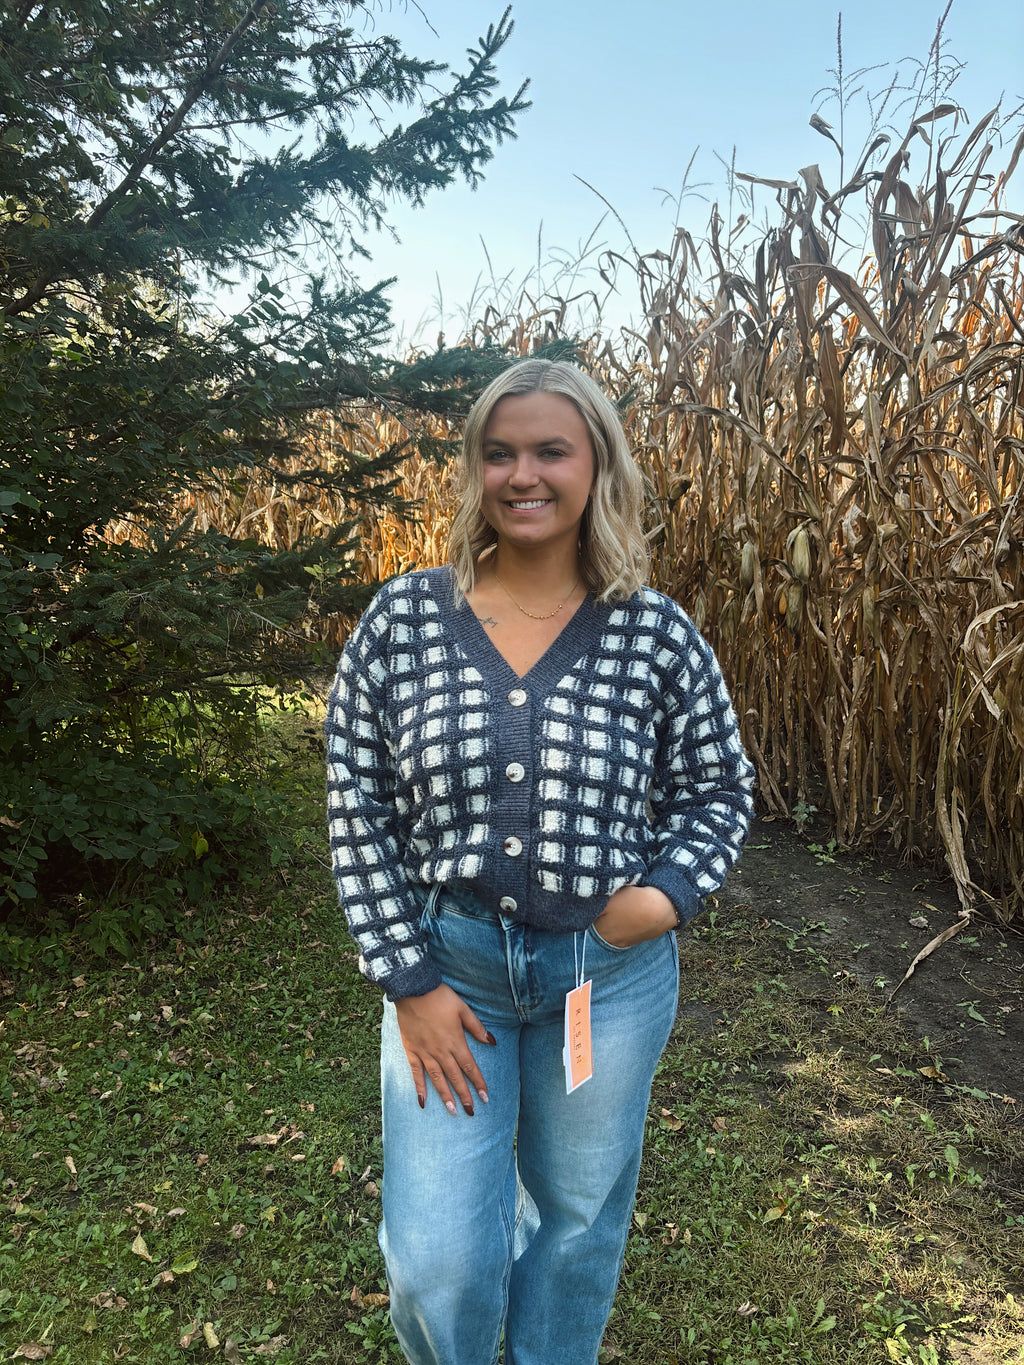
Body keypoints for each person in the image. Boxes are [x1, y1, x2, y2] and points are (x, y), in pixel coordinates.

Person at [325, 358, 755, 1365]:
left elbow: (719, 790)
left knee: (573, 1221)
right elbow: (357, 808)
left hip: (603, 986)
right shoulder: (402, 622)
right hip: (452, 980)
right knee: (438, 1256)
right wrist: (408, 981)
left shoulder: (653, 633)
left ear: (596, 466)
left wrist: (656, 900)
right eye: (499, 452)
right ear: (475, 471)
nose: (524, 474)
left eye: (550, 450)